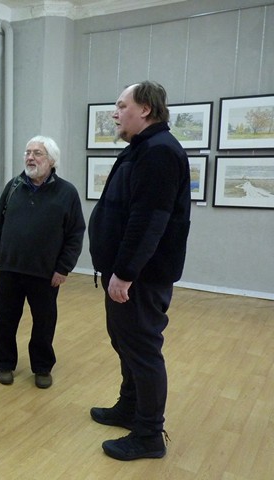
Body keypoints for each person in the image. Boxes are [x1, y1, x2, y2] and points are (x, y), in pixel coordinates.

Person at [88, 81, 191, 461]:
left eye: (121, 105)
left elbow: (149, 221)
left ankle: (148, 434)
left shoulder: (159, 152)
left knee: (143, 350)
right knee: (125, 341)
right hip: (128, 272)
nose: (115, 113)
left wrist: (126, 272)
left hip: (141, 277)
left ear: (145, 109)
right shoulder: (143, 148)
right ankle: (129, 407)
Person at [0, 135, 85, 389]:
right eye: (28, 152)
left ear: (52, 160)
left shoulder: (67, 192)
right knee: (5, 320)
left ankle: (42, 367)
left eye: (37, 153)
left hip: (46, 273)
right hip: (11, 268)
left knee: (44, 323)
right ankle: (5, 363)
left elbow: (75, 234)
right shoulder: (14, 186)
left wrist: (64, 268)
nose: (30, 157)